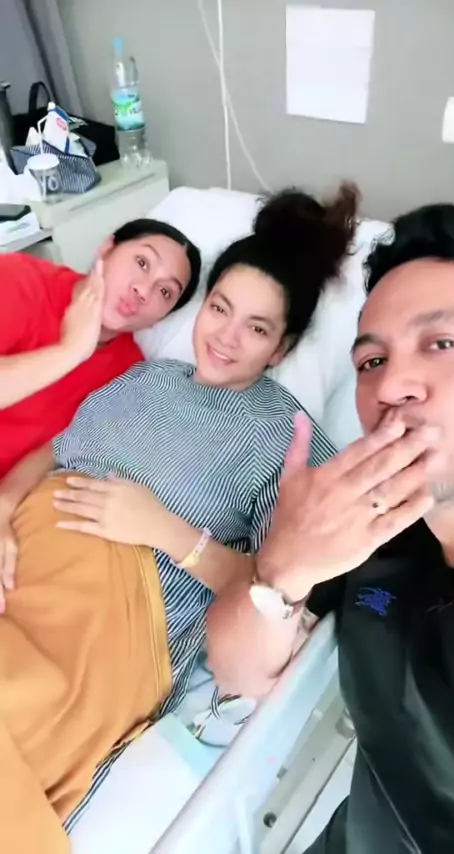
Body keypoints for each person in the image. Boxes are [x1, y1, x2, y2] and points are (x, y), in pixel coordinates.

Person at [0, 183, 358, 853]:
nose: (225, 335)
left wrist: (166, 530)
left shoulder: (283, 436)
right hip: (24, 556)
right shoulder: (144, 378)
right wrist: (2, 512)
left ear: (281, 349)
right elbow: (54, 450)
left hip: (113, 620)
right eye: (219, 308)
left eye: (256, 328)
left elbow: (283, 594)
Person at [202, 202, 454, 852]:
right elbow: (236, 670)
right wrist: (282, 570)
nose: (392, 386)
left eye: (442, 344)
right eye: (371, 361)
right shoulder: (368, 525)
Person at [0, 218, 201, 480]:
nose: (143, 290)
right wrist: (70, 350)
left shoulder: (130, 375)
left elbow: (64, 448)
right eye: (142, 263)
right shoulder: (18, 278)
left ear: (160, 319)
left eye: (165, 291)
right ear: (106, 249)